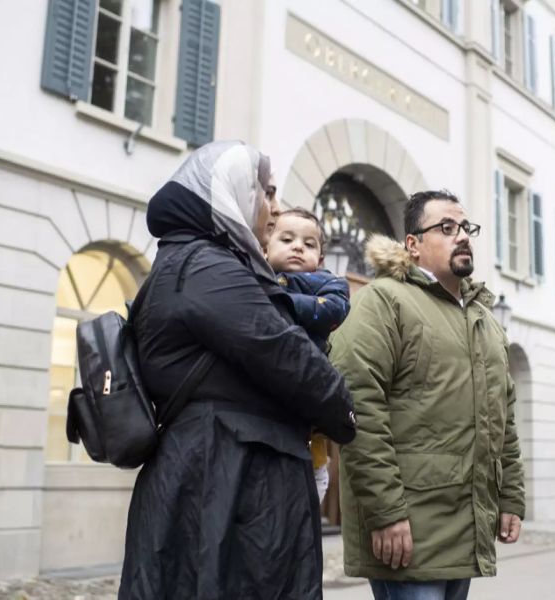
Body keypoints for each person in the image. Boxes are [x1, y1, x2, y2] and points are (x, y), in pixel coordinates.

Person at [118, 140, 356, 600]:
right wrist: (343, 413)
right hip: (225, 483)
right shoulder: (207, 264)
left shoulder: (201, 262)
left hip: (227, 479)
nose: (275, 206)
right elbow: (286, 355)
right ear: (232, 191)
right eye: (266, 192)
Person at [329, 190, 526, 600]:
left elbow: (503, 418)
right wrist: (385, 512)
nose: (463, 237)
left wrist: (510, 495)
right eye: (447, 228)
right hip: (406, 533)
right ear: (413, 244)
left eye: (466, 228)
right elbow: (358, 407)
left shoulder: (484, 321)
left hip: (462, 531)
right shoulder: (383, 301)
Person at [265, 207, 351, 502]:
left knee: (313, 448)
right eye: (286, 239)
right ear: (266, 248)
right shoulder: (255, 276)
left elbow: (334, 308)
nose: (298, 247)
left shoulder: (328, 284)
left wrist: (281, 301)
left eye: (309, 244)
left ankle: (316, 479)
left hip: (308, 384)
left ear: (321, 259)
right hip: (269, 395)